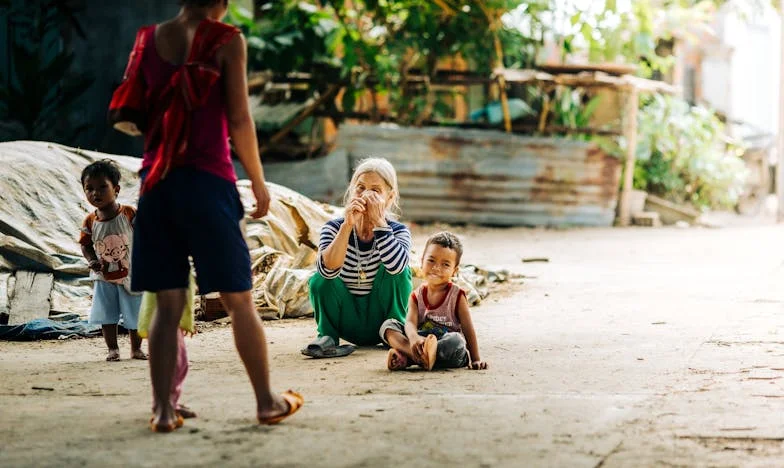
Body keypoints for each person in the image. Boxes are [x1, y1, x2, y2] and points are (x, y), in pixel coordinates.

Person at [120, 0, 302, 432]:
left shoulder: (148, 39)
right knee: (239, 300)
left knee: (167, 305)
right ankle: (266, 402)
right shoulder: (227, 40)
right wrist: (257, 181)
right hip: (209, 184)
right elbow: (239, 118)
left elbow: (140, 114)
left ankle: (163, 410)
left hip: (158, 185)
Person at [302, 157, 412, 358]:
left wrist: (379, 222)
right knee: (318, 278)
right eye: (360, 188)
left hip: (384, 324)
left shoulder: (398, 231)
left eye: (375, 191)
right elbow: (327, 270)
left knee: (401, 271)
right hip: (347, 320)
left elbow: (397, 269)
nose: (366, 195)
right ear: (352, 191)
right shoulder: (333, 228)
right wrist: (347, 226)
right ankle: (327, 338)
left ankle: (396, 335)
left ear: (389, 198)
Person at [380, 232, 489, 371]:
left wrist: (476, 359)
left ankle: (410, 358)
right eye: (431, 260)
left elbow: (468, 329)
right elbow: (410, 323)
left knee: (456, 341)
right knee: (388, 326)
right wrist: (414, 339)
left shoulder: (457, 296)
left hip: (447, 346)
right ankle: (418, 354)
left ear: (454, 271)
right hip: (421, 341)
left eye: (445, 264)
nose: (437, 267)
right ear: (421, 262)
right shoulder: (416, 295)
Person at [79, 159, 147, 362]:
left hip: (132, 273)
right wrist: (92, 260)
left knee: (135, 313)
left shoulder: (129, 213)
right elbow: (85, 244)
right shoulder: (90, 221)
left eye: (102, 187)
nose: (95, 193)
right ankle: (112, 349)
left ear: (116, 189)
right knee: (107, 315)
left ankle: (136, 349)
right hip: (103, 276)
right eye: (89, 188)